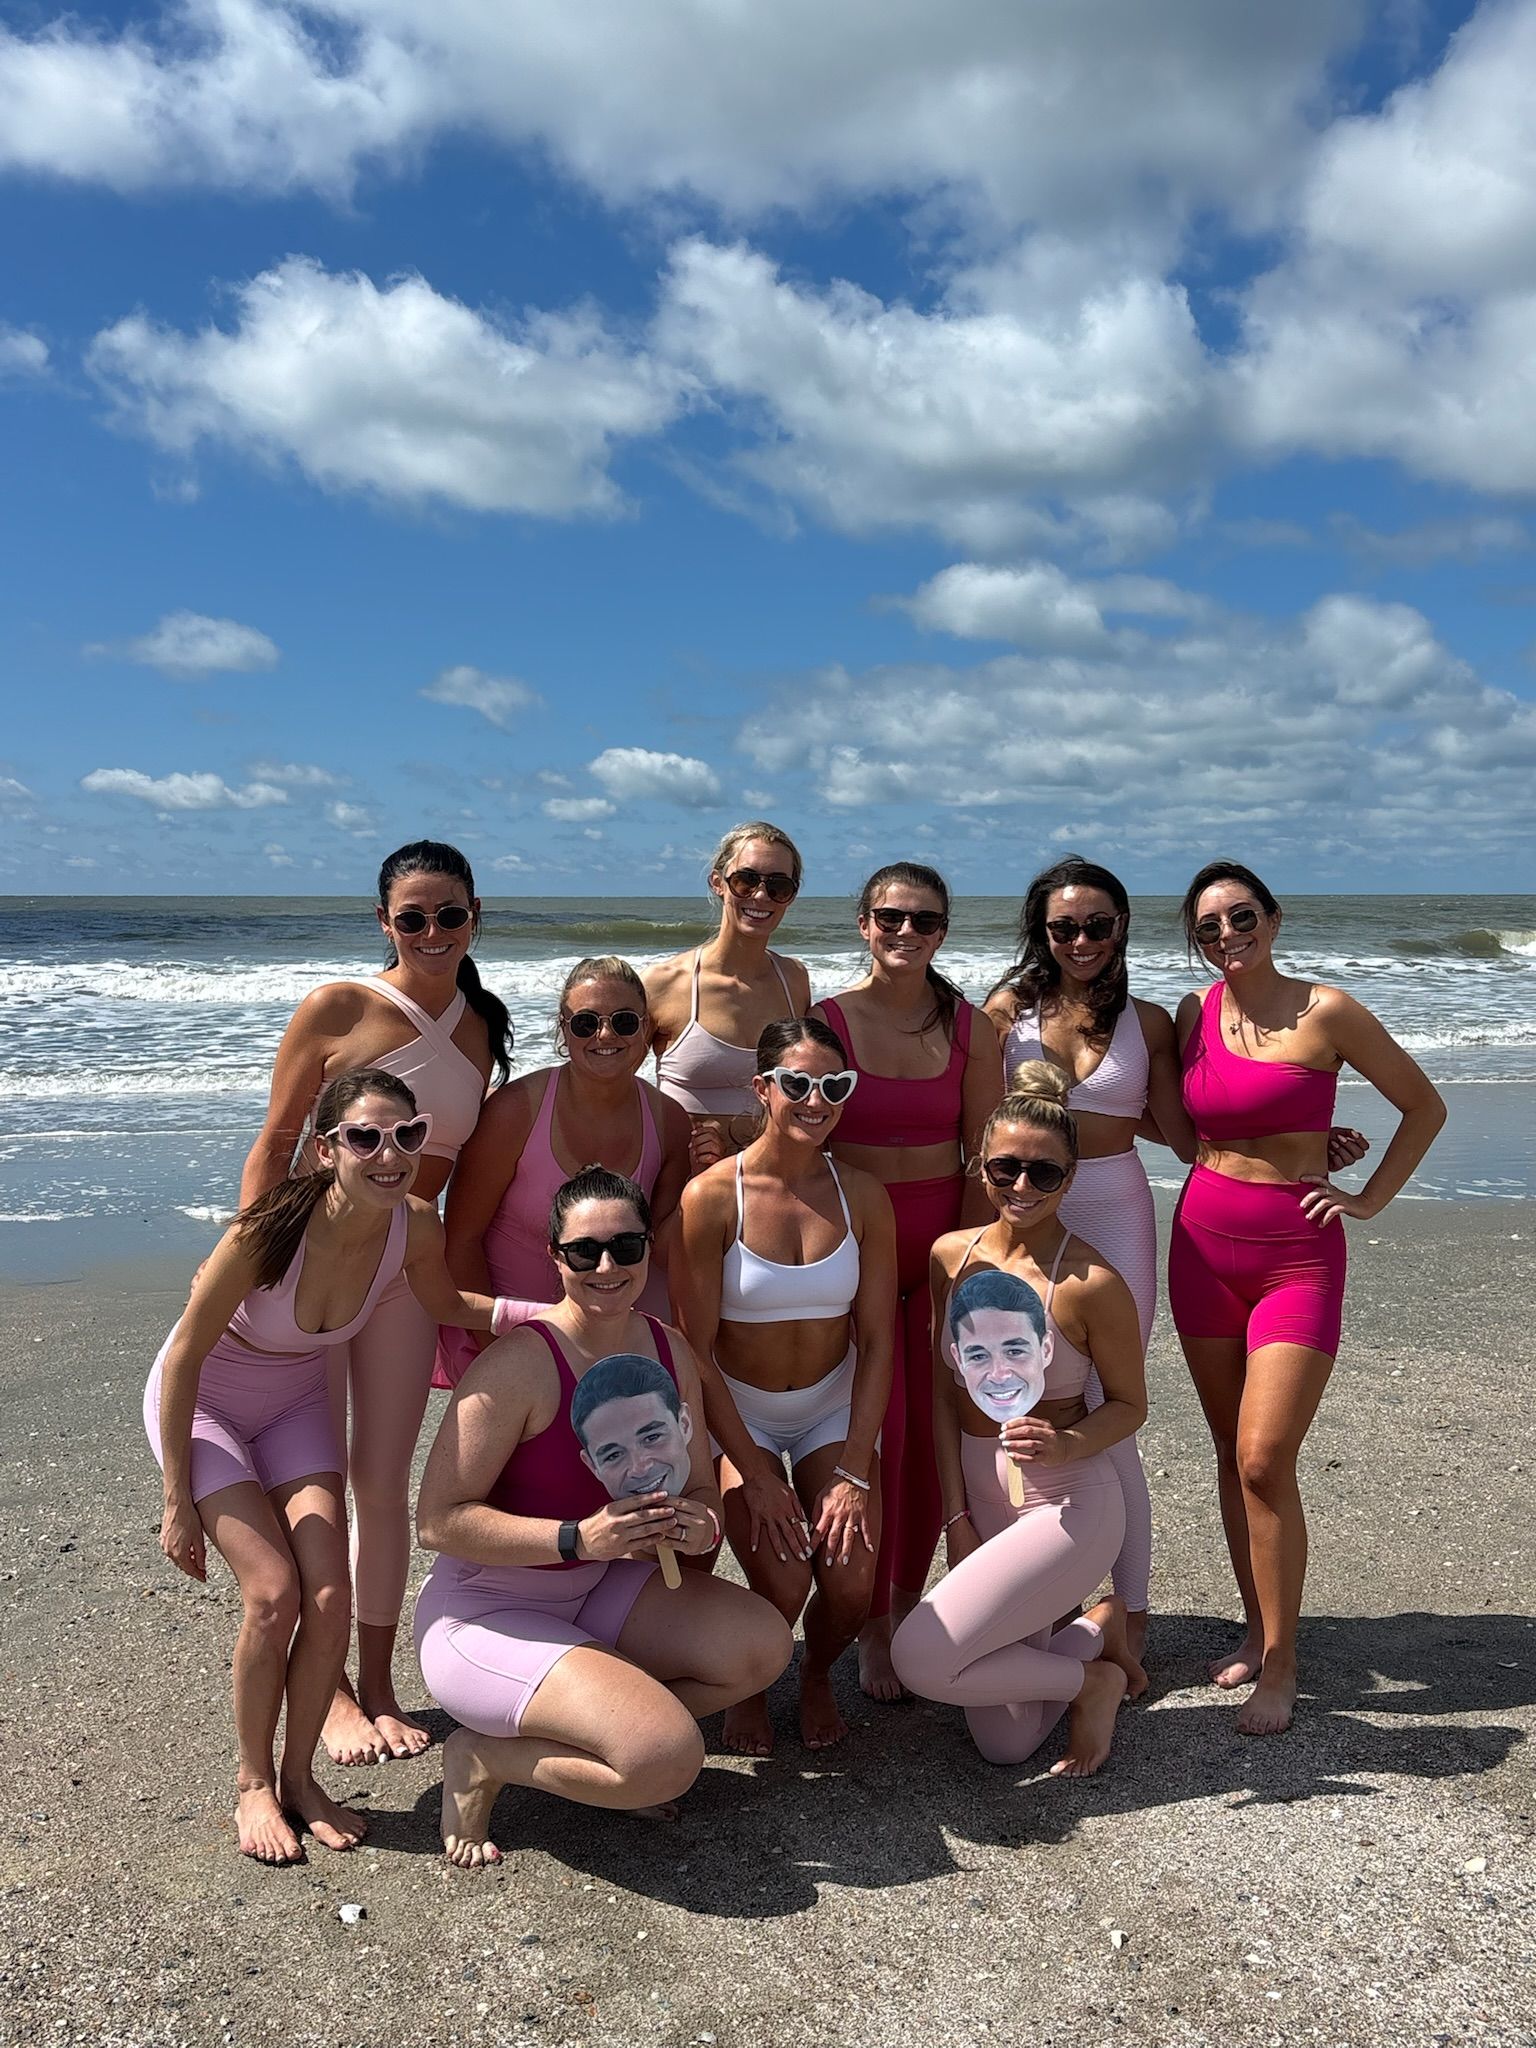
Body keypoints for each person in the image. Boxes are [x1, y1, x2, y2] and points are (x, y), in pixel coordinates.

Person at [984, 855, 1369, 1662]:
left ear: (1121, 926)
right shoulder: (1006, 1013)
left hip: (1116, 1210)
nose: (1081, 940)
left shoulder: (1152, 1022)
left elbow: (1186, 1133)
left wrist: (1298, 1142)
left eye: (1097, 924)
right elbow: (977, 1129)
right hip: (1025, 1212)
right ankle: (1046, 1601)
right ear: (1042, 932)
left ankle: (1131, 1620)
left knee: (1109, 1409)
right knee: (1027, 1403)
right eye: (1064, 927)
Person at [148, 1068, 511, 1864]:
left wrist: (553, 1314)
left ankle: (300, 1779)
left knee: (328, 1594)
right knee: (272, 1593)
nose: (391, 1154)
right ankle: (252, 1785)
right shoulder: (267, 1232)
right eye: (365, 1137)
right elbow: (182, 1360)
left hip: (294, 1412)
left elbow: (449, 1306)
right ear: (326, 1149)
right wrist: (177, 1500)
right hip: (209, 1410)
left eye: (407, 1135)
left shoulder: (413, 1225)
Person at [414, 1168, 792, 1866]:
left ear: (649, 1248)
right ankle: (484, 1757)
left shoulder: (667, 1349)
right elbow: (438, 1520)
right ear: (555, 1258)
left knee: (763, 1648)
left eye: (626, 1245)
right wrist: (577, 1538)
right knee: (668, 1760)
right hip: (486, 1613)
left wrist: (699, 1524)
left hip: (595, 1591)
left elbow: (701, 1488)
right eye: (585, 1251)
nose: (608, 1266)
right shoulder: (518, 1364)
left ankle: (615, 1735)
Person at [241, 840, 511, 1767]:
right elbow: (276, 1141)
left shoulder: (482, 1027)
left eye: (451, 915)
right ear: (384, 922)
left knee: (382, 1480)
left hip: (405, 1270)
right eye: (413, 917)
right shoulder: (337, 1007)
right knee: (310, 1472)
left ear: (475, 916)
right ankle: (331, 1691)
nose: (433, 932)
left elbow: (471, 1174)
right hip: (314, 1262)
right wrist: (256, 1265)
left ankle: (378, 1681)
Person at [1172, 859, 1445, 1735]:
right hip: (1201, 1247)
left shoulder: (1327, 1010)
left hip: (1297, 1255)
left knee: (1264, 1457)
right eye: (1208, 926)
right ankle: (1258, 1631)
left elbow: (1424, 1107)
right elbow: (1184, 1125)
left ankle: (1284, 1664)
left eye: (1240, 916)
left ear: (1274, 919)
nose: (1226, 935)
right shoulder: (1193, 1014)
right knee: (1228, 1453)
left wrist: (1368, 1198)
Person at [890, 1064, 1148, 1776]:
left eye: (1045, 1172)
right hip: (983, 1497)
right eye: (1006, 1167)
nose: (1022, 1186)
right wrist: (955, 1515)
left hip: (1069, 1505)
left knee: (921, 1657)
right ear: (980, 1166)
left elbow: (1131, 1404)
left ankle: (1091, 1684)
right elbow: (945, 1394)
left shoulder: (1091, 1283)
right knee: (1006, 1744)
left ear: (1072, 1177)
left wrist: (1067, 1442)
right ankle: (1095, 1635)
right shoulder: (952, 1257)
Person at [675, 1017, 897, 1754]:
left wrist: (855, 1469)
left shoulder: (863, 1195)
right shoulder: (712, 1196)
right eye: (797, 1083)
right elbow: (696, 1351)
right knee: (783, 1577)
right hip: (740, 1411)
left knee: (852, 1582)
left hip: (829, 1404)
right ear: (762, 1088)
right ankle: (751, 1681)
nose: (816, 1100)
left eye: (834, 1086)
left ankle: (815, 1672)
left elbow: (878, 1340)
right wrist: (754, 1473)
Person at [812, 861, 1002, 1700]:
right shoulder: (825, 1022)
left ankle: (899, 1605)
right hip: (850, 1248)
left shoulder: (971, 1029)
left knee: (928, 1439)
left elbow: (982, 1159)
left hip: (938, 1250)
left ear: (942, 933)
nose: (905, 932)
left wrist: (956, 1267)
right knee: (864, 1433)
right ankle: (862, 1615)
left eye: (924, 921)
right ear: (864, 923)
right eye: (890, 917)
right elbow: (803, 1140)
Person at [438, 957, 692, 1383]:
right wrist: (501, 1355)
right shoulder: (514, 1111)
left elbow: (662, 1253)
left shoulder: (669, 1121)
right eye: (586, 1023)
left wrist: (705, 1175)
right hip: (510, 1340)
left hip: (613, 1351)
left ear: (645, 1028)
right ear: (564, 1029)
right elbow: (462, 1241)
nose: (605, 1035)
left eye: (624, 1021)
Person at [648, 822, 811, 1170]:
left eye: (778, 885)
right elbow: (610, 1087)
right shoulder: (664, 983)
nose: (761, 896)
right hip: (684, 1180)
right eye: (746, 880)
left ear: (791, 896)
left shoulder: (794, 980)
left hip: (772, 1180)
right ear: (718, 882)